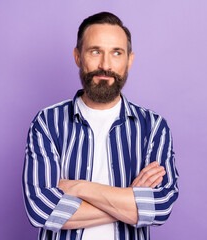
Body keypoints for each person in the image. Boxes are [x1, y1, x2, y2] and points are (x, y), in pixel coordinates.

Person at [22, 12, 179, 240]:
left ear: (129, 60)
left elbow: (161, 207)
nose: (105, 65)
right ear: (78, 57)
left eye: (117, 53)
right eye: (95, 51)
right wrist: (131, 200)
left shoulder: (153, 127)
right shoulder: (47, 123)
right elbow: (41, 210)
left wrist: (80, 188)